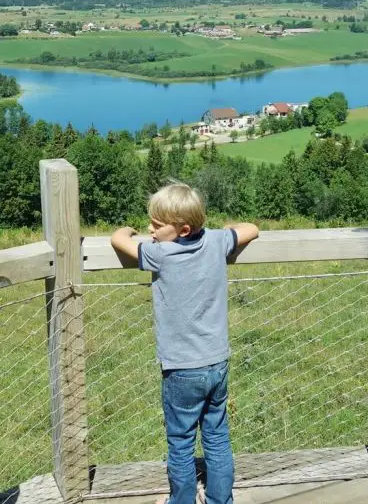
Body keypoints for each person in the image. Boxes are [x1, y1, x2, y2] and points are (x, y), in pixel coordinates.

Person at [111, 183, 259, 504]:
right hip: (217, 362)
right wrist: (229, 229)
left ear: (183, 229)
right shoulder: (217, 241)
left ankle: (182, 500)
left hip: (180, 369)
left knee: (180, 442)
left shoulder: (159, 254)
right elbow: (252, 229)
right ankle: (221, 499)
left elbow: (118, 240)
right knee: (217, 436)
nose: (149, 230)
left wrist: (126, 229)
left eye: (156, 224)